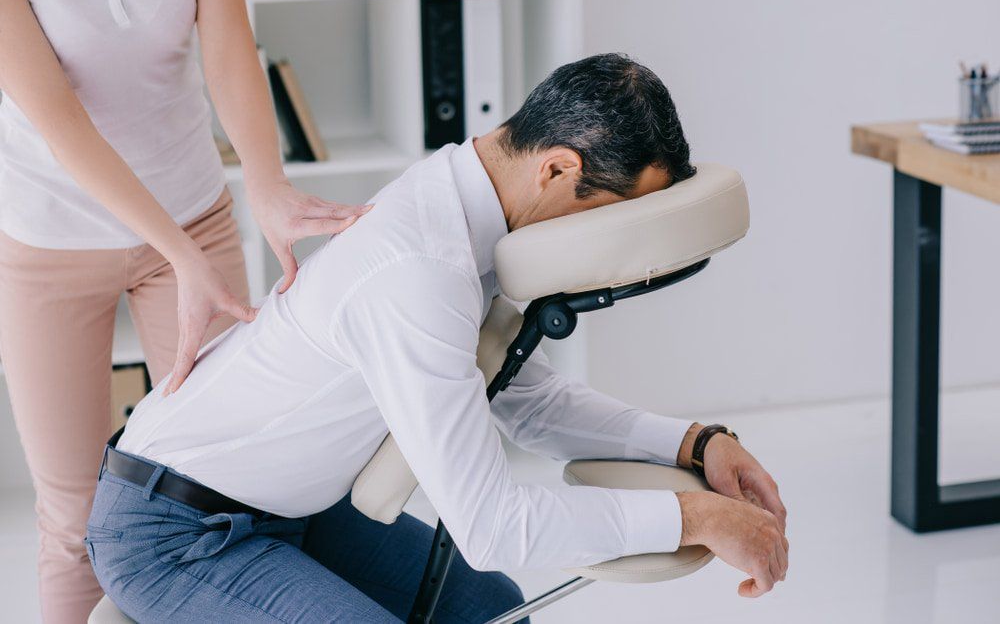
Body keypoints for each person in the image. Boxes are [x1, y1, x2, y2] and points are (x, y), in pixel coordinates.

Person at [88, 54, 789, 623]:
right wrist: (693, 516)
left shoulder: (466, 215)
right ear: (558, 169)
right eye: (616, 214)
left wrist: (696, 443)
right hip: (176, 531)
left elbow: (526, 400)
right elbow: (491, 524)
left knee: (492, 612)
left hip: (292, 507)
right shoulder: (419, 269)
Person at [0, 0, 367, 620]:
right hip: (48, 246)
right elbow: (58, 118)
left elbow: (226, 49)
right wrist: (176, 249)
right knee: (74, 514)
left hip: (194, 213)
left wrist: (266, 184)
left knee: (228, 482)